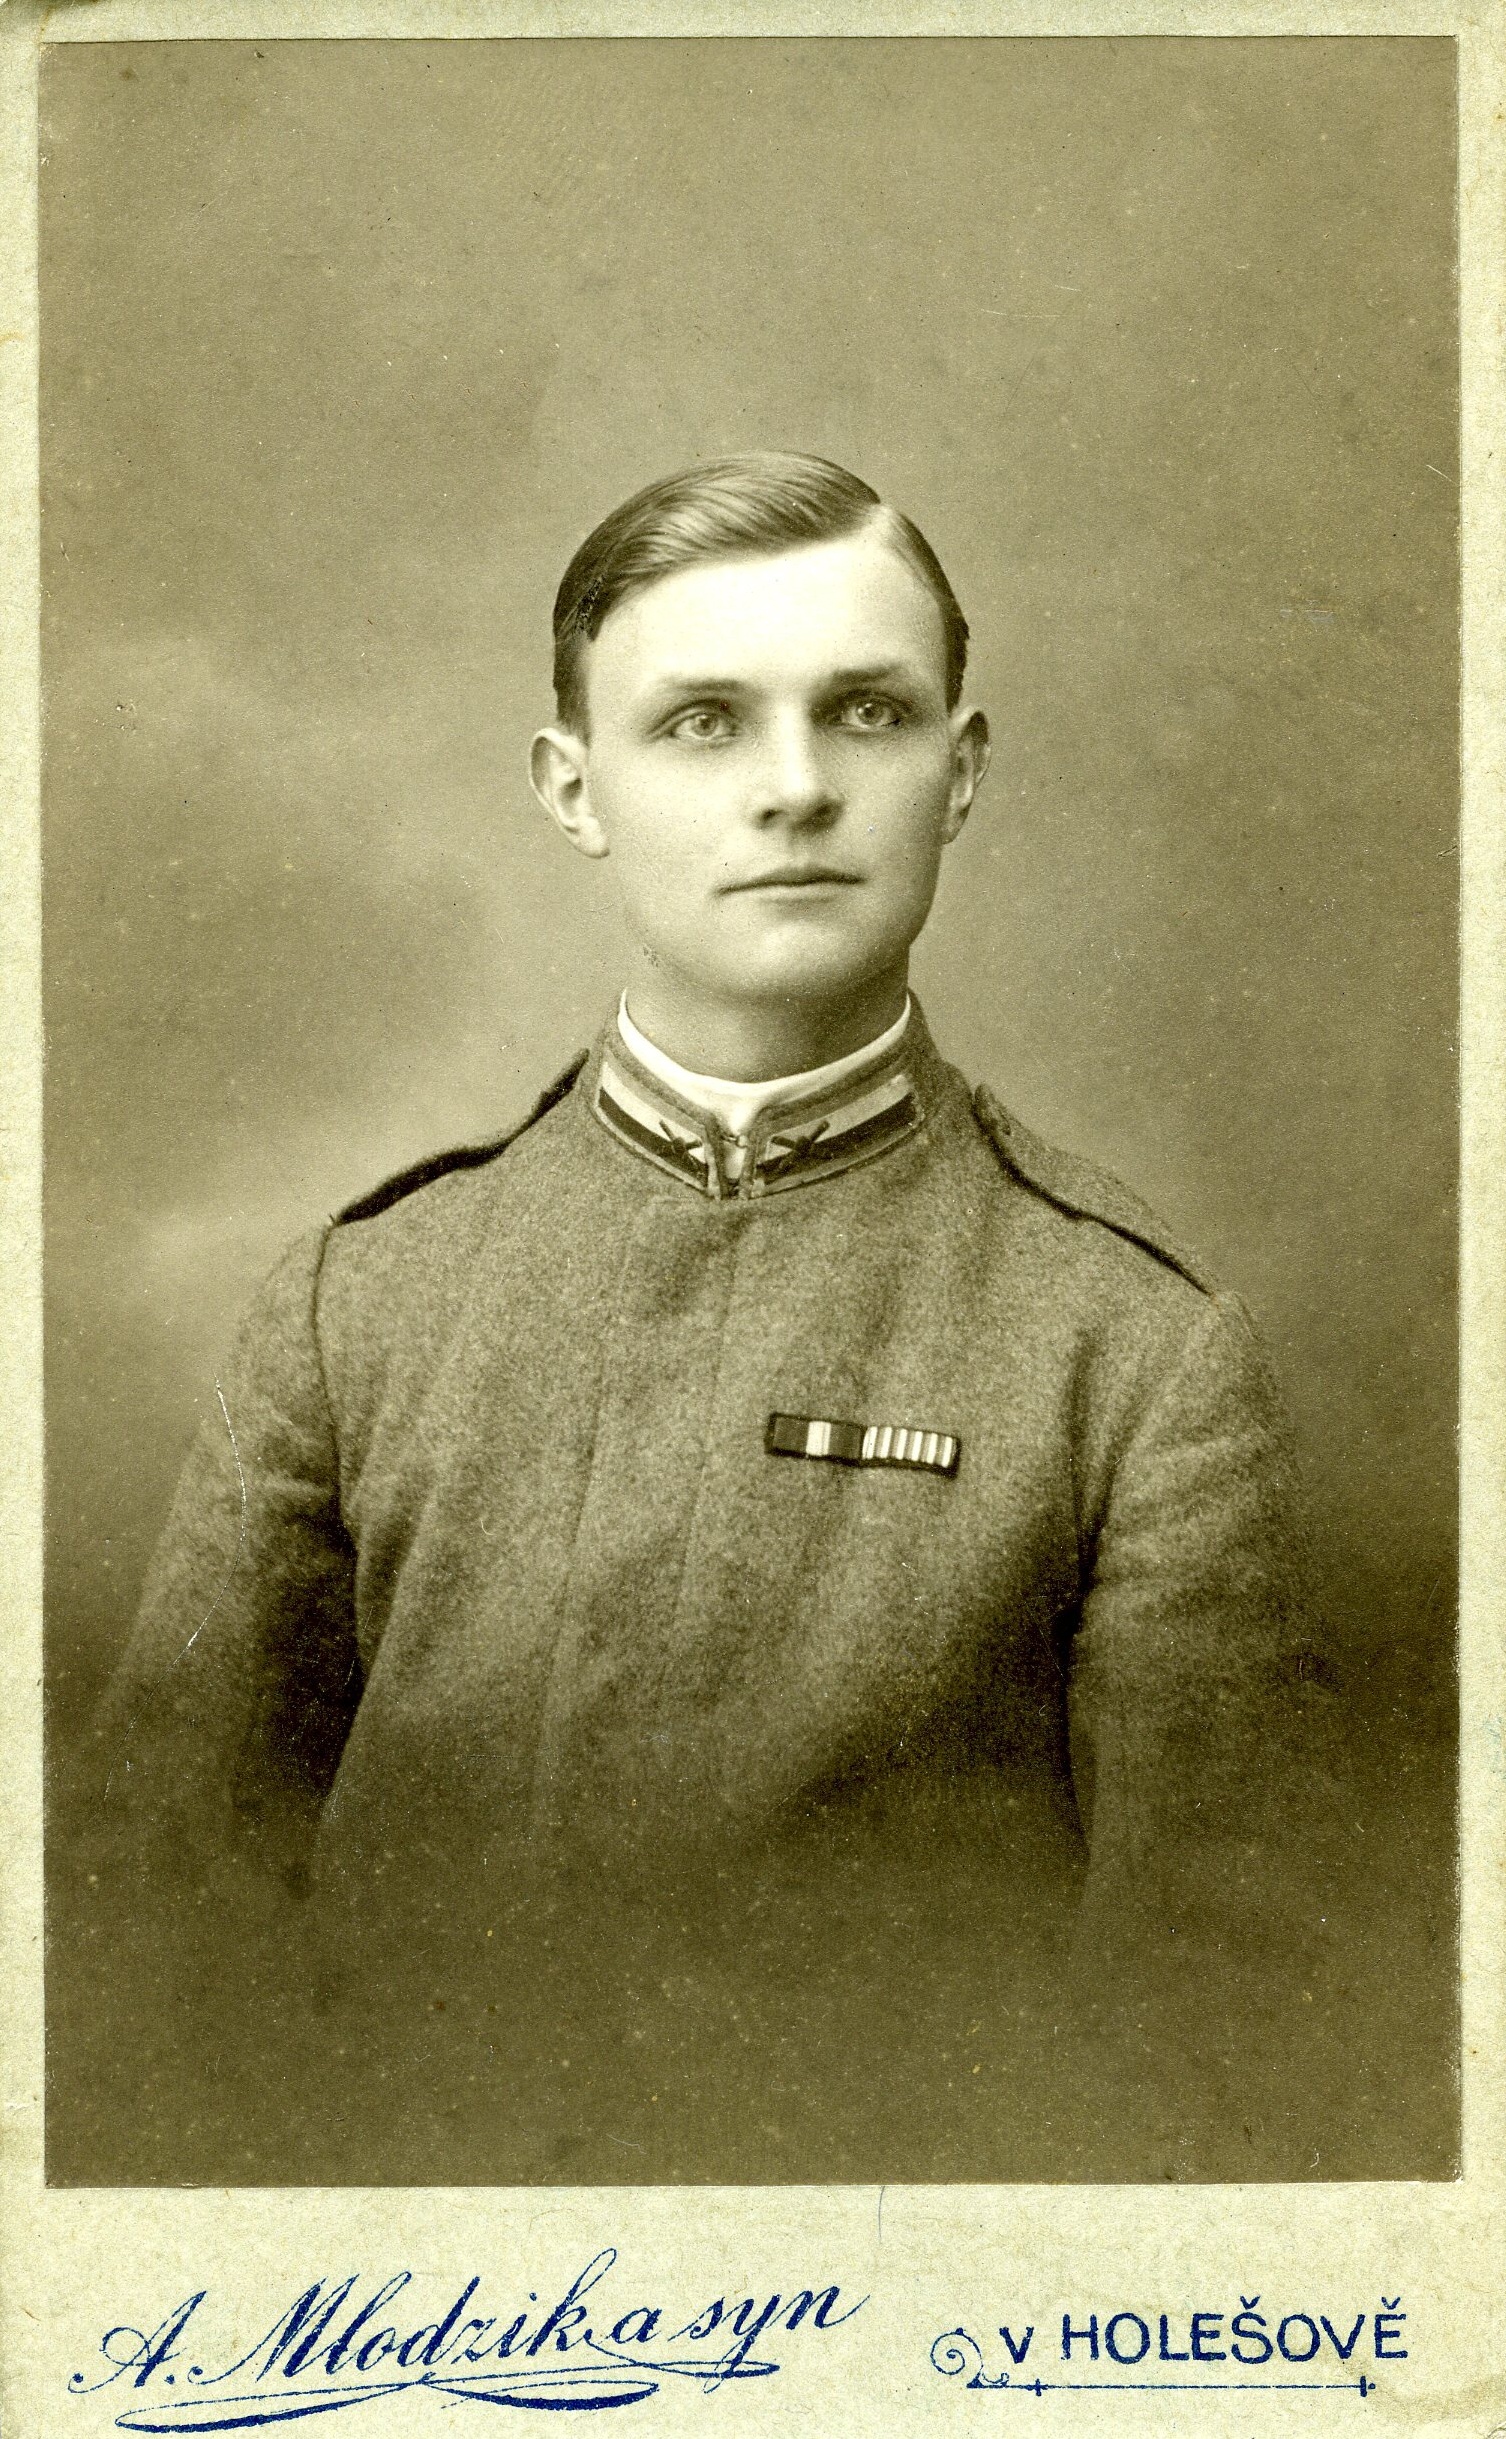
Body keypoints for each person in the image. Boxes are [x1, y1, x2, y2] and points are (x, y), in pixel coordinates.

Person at [78, 453, 1337, 2184]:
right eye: (702, 724)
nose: (795, 789)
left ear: (960, 771)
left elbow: (1216, 2065)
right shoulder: (354, 1303)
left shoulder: (1135, 1351)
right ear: (573, 786)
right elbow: (149, 1956)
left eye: (867, 713)